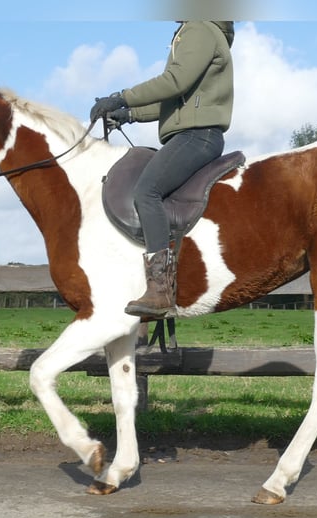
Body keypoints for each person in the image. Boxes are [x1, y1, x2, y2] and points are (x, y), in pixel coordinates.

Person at [90, 21, 235, 319]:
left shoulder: (199, 28)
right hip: (189, 133)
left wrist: (121, 96)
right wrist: (128, 114)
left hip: (196, 135)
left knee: (147, 191)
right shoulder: (196, 28)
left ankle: (159, 289)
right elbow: (175, 99)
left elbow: (175, 81)